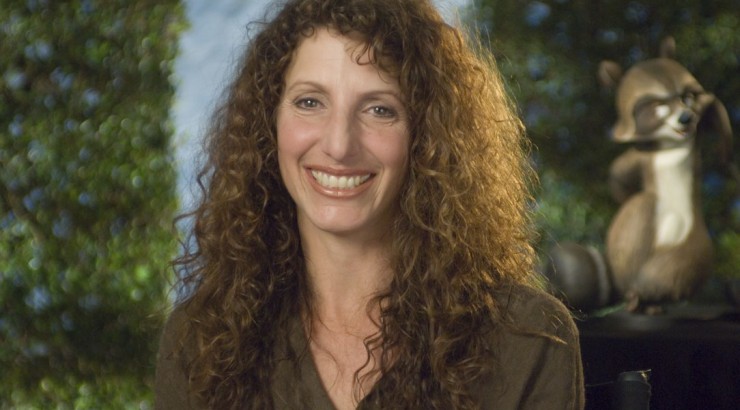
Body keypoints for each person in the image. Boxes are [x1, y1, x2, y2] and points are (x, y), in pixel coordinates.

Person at [155, 0, 585, 408]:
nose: (339, 145)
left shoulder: (526, 341)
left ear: (426, 137)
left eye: (379, 110)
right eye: (309, 102)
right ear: (269, 123)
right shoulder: (200, 342)